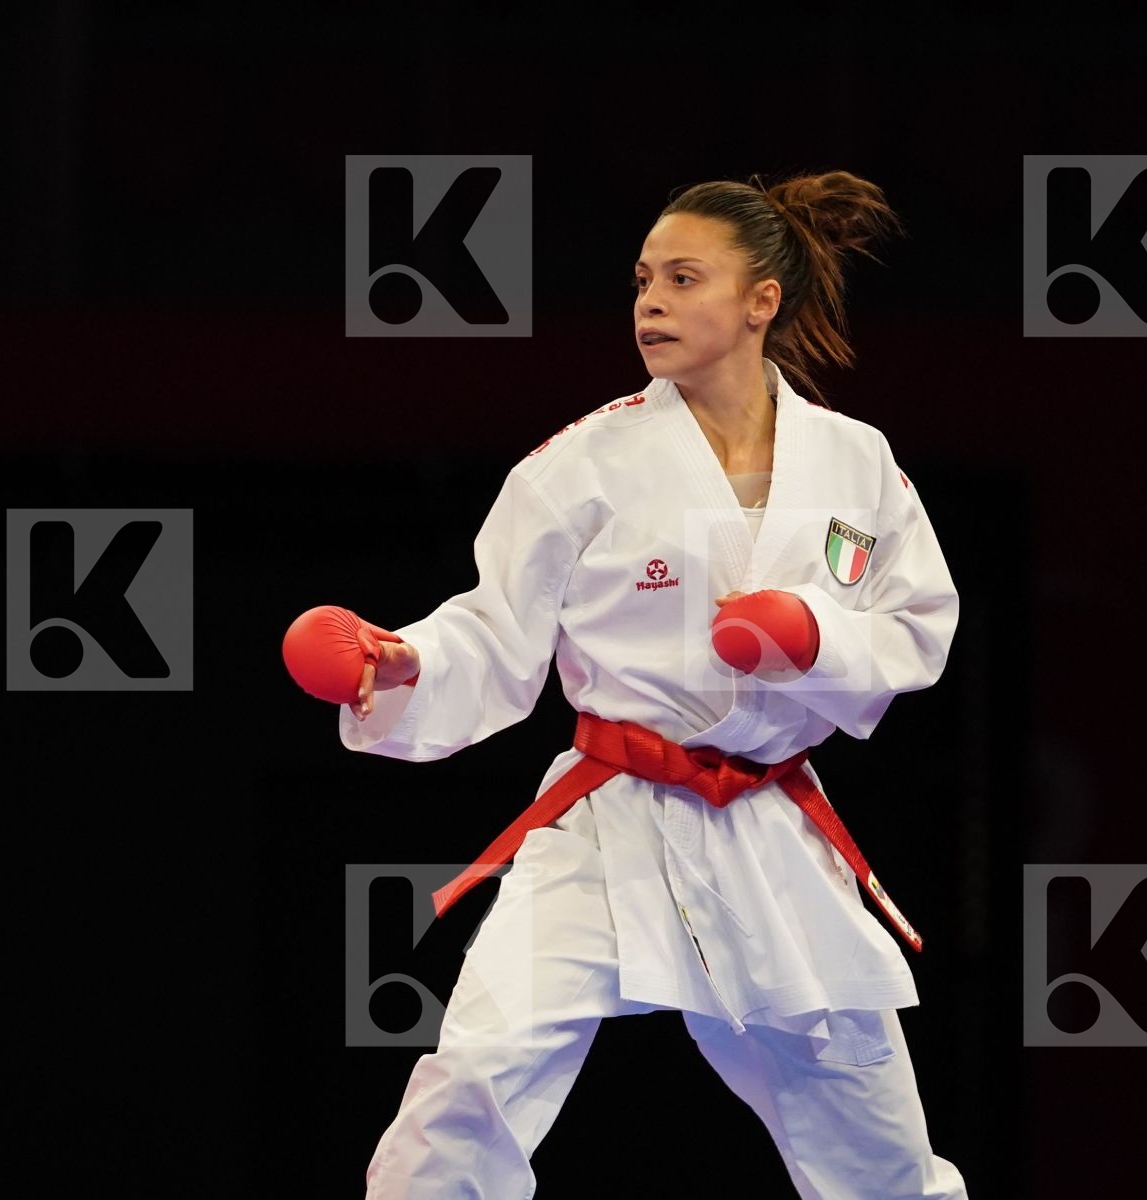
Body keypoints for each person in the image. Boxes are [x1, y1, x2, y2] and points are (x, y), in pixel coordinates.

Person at [283, 171, 968, 1198]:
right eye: (644, 280)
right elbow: (494, 629)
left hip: (770, 827)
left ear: (761, 301)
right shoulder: (582, 464)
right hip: (611, 819)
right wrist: (411, 659)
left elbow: (917, 625)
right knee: (475, 1074)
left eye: (683, 279)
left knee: (877, 1144)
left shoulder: (855, 462)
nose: (650, 301)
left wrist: (810, 637)